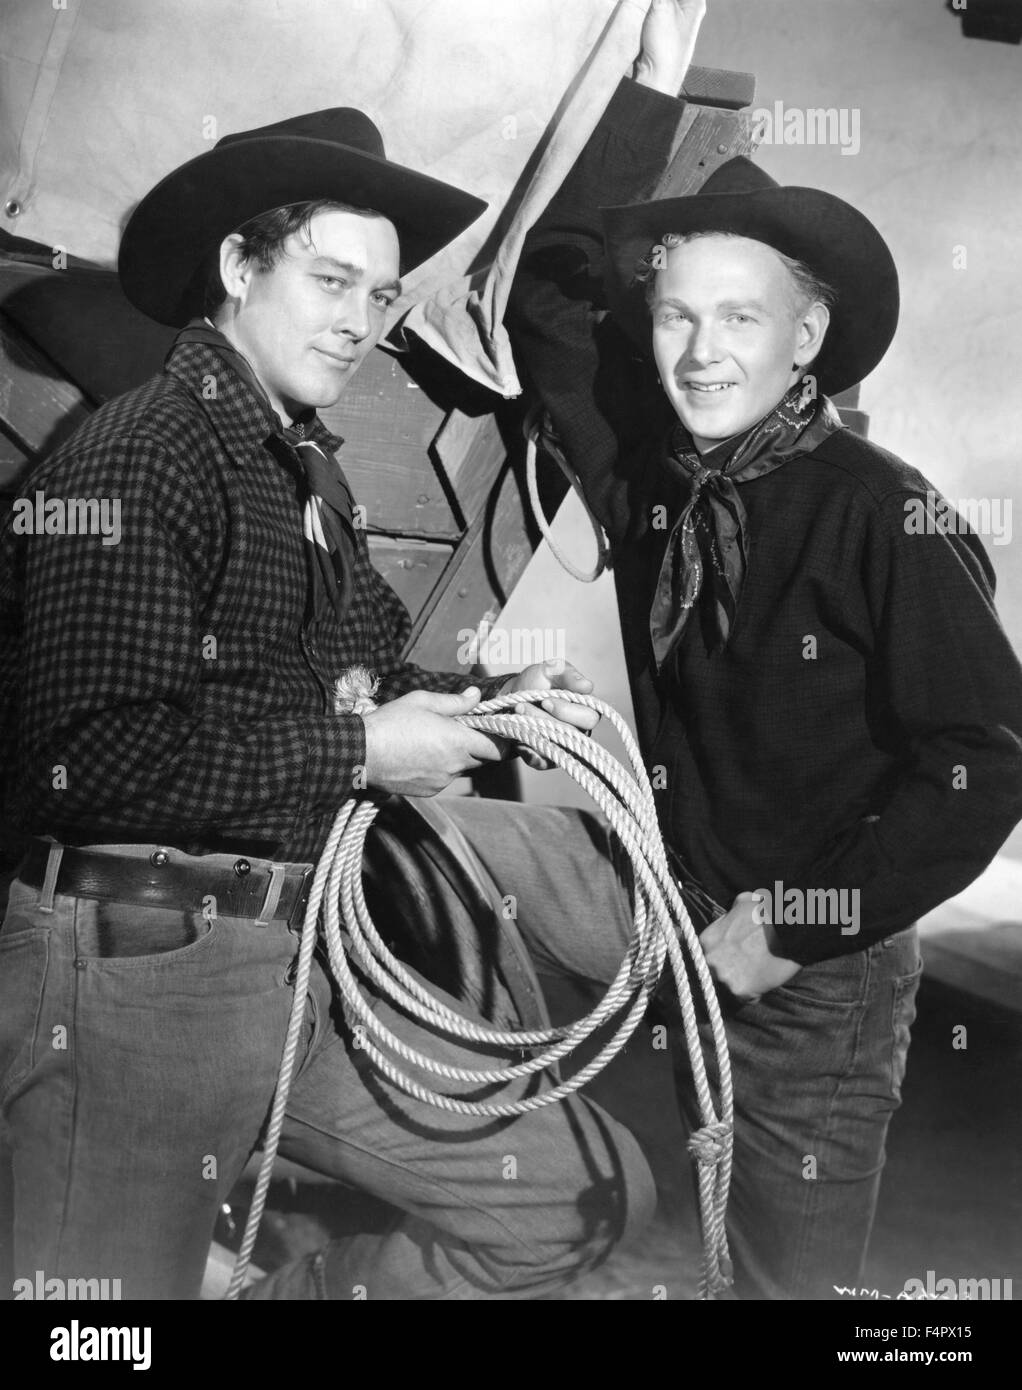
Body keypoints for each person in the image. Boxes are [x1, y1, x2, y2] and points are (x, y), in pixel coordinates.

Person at [0, 102, 658, 1300]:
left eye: (382, 294)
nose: (359, 322)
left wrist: (490, 699)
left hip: (290, 959)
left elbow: (364, 676)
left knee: (575, 1193)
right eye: (328, 280)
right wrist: (364, 750)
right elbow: (90, 764)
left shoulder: (302, 472)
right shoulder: (145, 454)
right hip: (135, 971)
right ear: (238, 268)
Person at [503, 0, 1022, 1297]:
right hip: (685, 928)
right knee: (699, 1249)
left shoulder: (875, 508)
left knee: (784, 1288)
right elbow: (548, 293)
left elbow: (986, 761)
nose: (698, 350)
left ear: (805, 340)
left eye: (741, 318)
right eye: (676, 315)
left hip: (817, 977)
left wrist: (794, 924)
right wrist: (646, 75)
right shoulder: (659, 481)